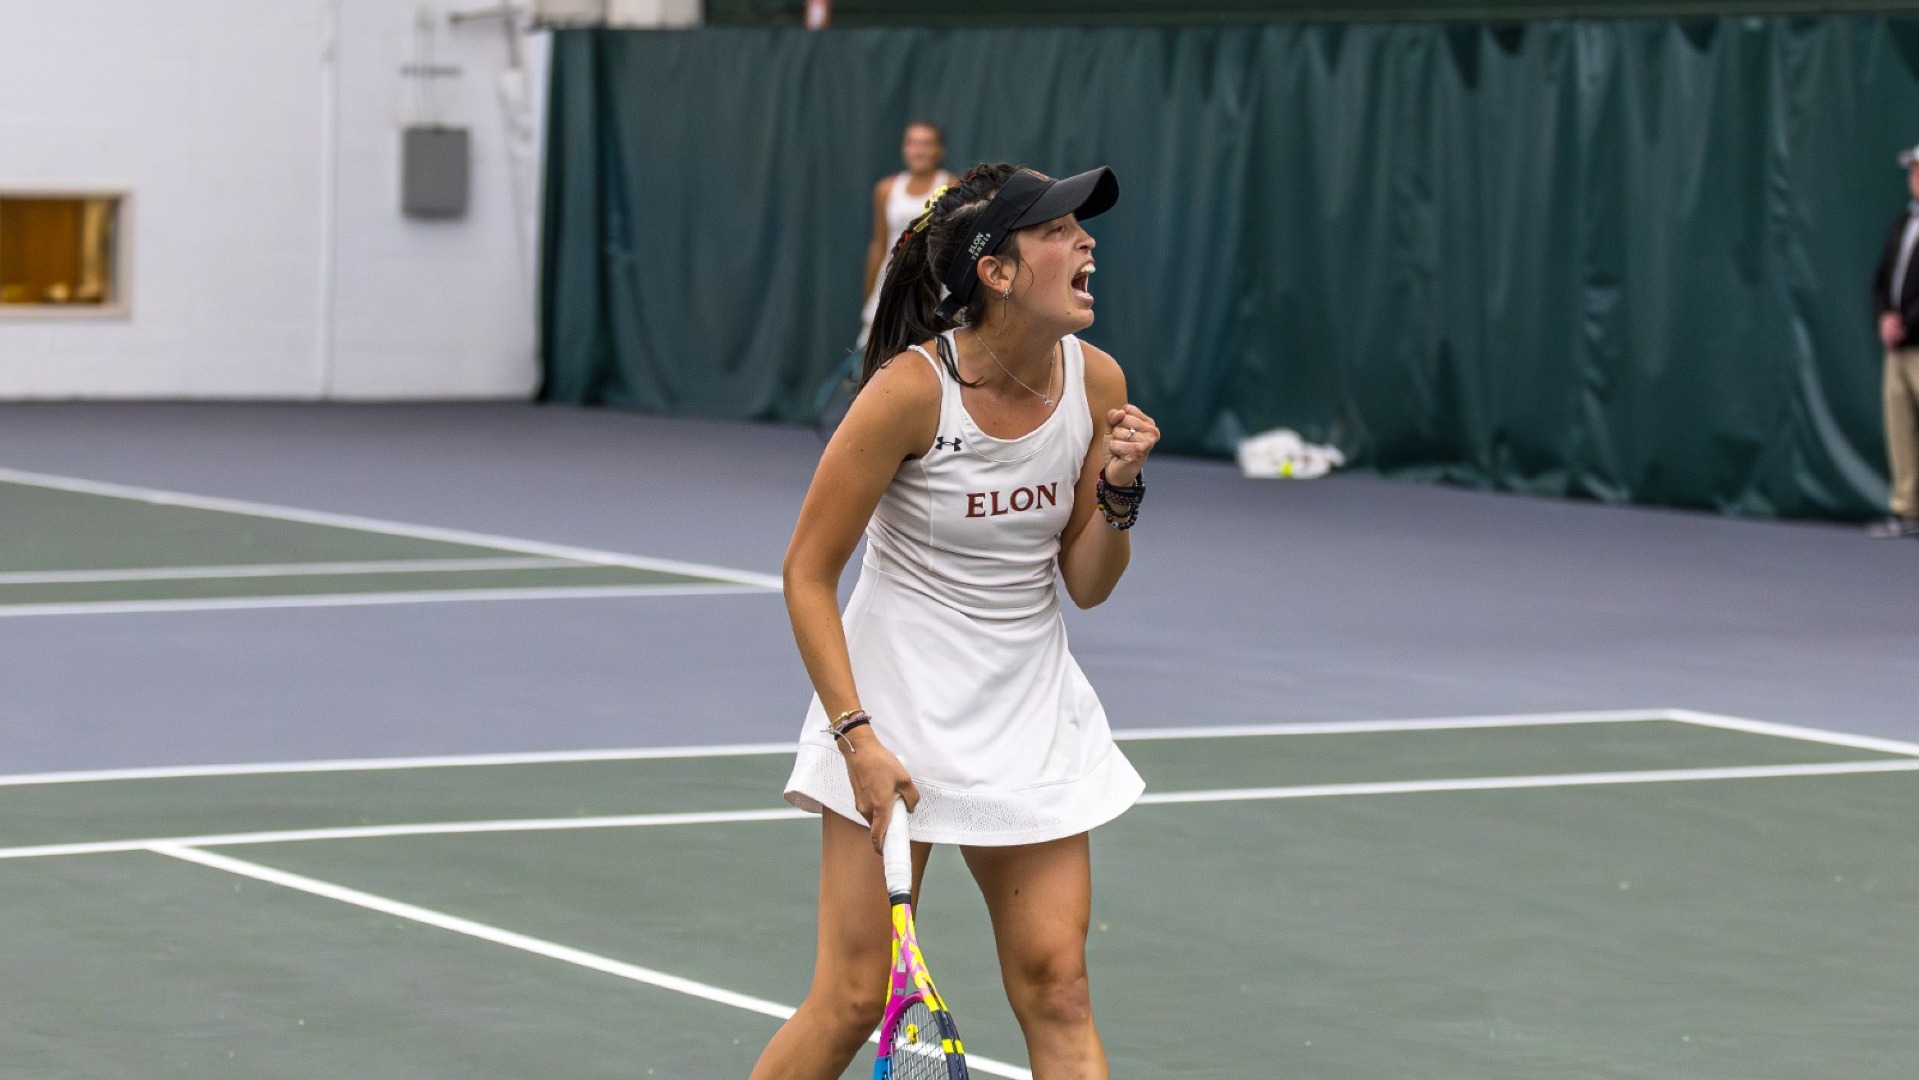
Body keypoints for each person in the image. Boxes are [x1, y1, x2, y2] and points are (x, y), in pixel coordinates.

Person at [752, 163, 1157, 1080]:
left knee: (1059, 989)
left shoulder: (1096, 384)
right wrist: (855, 738)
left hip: (1027, 712)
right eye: (1059, 229)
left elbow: (1086, 583)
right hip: (890, 714)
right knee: (852, 999)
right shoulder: (907, 393)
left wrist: (1120, 490)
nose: (1086, 242)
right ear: (997, 272)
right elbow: (807, 573)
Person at [857, 121, 956, 349]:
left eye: (926, 143)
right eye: (913, 143)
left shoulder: (952, 185)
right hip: (892, 284)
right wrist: (872, 296)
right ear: (905, 148)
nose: (919, 150)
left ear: (939, 150)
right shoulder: (886, 189)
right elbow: (879, 244)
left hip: (934, 288)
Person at [1869, 141, 1919, 538]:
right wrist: (1886, 316)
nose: (1914, 178)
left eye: (1918, 169)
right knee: (1900, 429)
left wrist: (1908, 324)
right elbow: (1883, 278)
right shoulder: (1902, 223)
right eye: (1912, 170)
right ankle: (1906, 511)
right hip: (1897, 349)